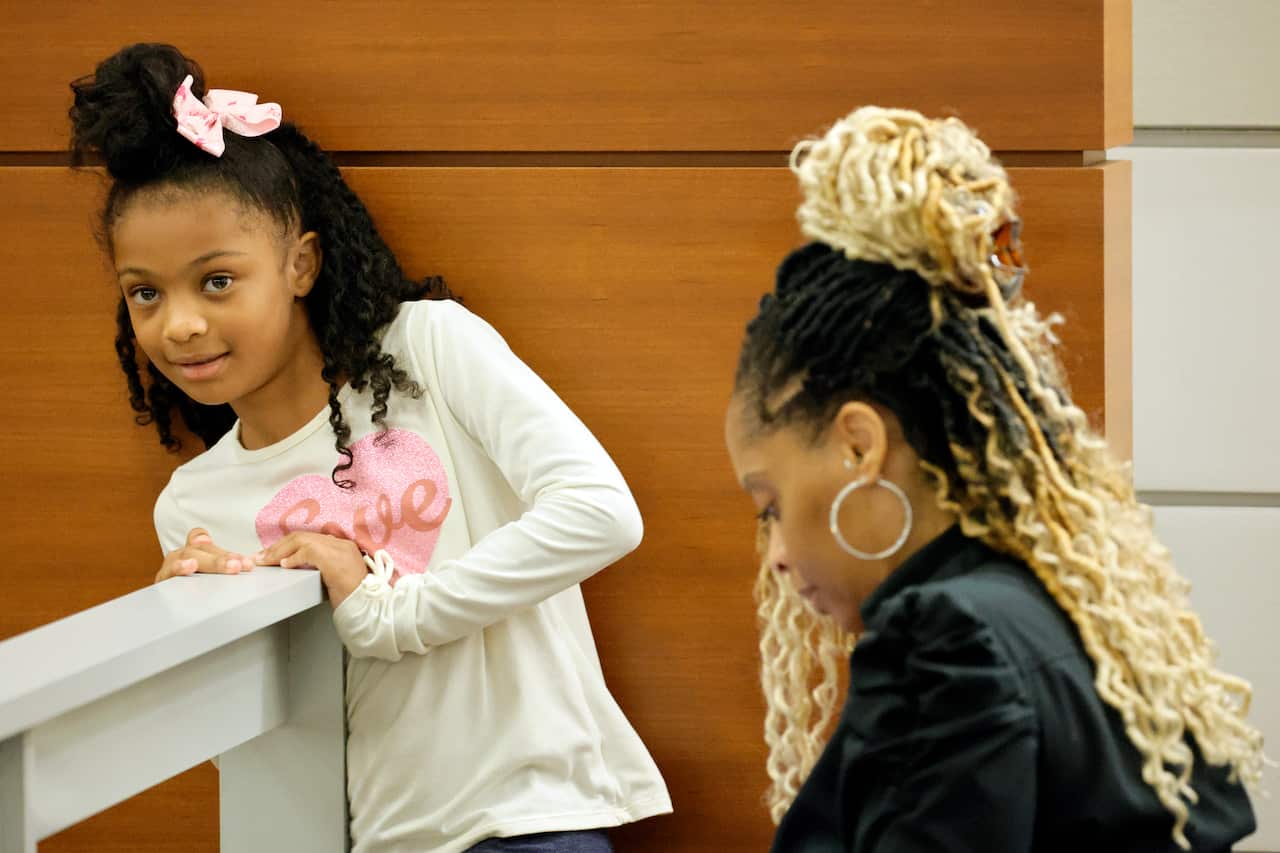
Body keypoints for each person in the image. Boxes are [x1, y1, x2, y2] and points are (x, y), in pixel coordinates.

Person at [69, 42, 671, 853]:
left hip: (528, 819)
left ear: (301, 263)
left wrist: (393, 612)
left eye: (216, 280)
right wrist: (201, 636)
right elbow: (265, 758)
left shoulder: (429, 349)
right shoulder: (192, 508)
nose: (177, 324)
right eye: (145, 291)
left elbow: (601, 515)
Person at [724, 107, 1261, 852]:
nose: (778, 552)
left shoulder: (945, 642)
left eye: (770, 504)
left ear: (858, 446)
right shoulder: (1076, 611)